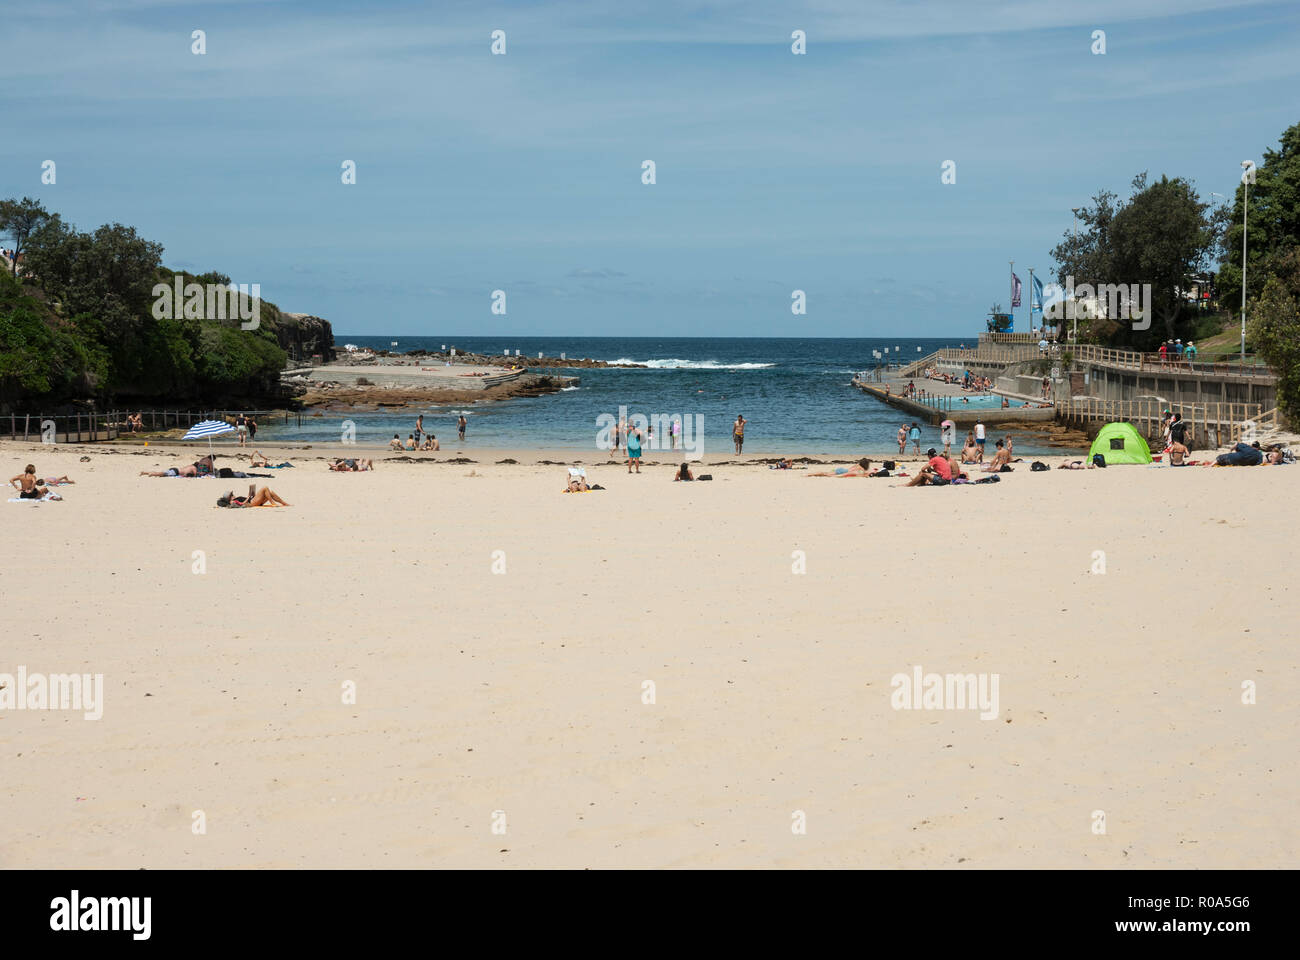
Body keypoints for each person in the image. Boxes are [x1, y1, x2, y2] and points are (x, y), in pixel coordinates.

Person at [218, 485, 291, 508]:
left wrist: (251, 495)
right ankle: (272, 503)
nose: (233, 494)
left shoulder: (235, 499)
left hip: (253, 500)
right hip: (252, 503)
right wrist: (248, 497)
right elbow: (242, 504)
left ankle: (284, 503)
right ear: (229, 497)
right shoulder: (233, 501)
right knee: (265, 488)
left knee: (270, 492)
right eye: (231, 494)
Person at [809, 458, 878, 477]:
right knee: (825, 474)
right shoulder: (861, 468)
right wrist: (874, 471)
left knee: (825, 473)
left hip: (842, 469)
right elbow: (864, 473)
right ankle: (810, 474)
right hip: (843, 472)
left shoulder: (857, 465)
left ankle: (811, 474)